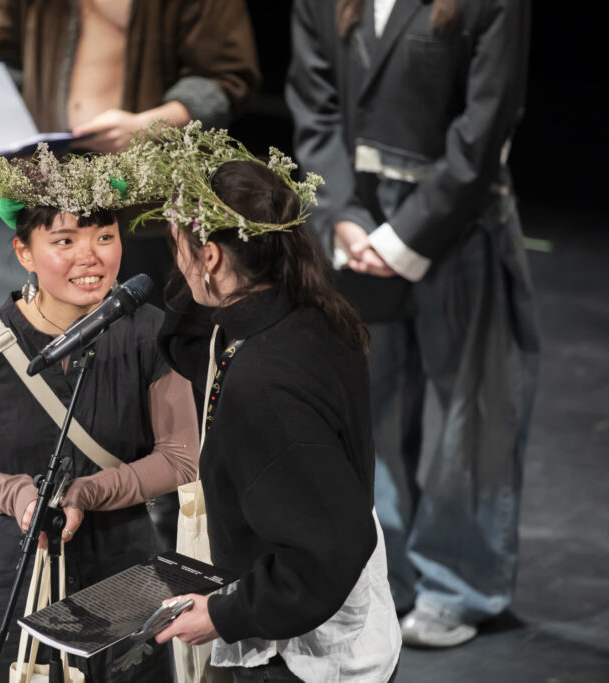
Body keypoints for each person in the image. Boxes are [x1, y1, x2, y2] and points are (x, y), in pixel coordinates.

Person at [286, 0, 540, 647]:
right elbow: (314, 108)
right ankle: (383, 570)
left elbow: (485, 124)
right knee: (369, 404)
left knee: (470, 409)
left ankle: (458, 583)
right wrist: (342, 216)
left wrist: (406, 236)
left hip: (456, 218)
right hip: (357, 219)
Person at [0, 144, 199, 682]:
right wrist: (17, 495)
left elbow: (181, 458)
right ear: (24, 252)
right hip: (0, 576)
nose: (90, 257)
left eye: (105, 237)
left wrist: (88, 493)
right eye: (64, 241)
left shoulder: (151, 336)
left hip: (117, 573)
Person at [123, 123, 400, 682]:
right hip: (330, 618)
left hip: (305, 658)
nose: (175, 263)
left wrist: (223, 615)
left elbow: (334, 546)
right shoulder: (304, 309)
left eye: (180, 248)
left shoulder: (264, 386)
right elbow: (188, 342)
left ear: (211, 255)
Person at [0, 0, 262, 303]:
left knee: (154, 313)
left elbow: (225, 76)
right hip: (52, 175)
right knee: (63, 313)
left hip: (149, 190)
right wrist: (5, 132)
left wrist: (146, 127)